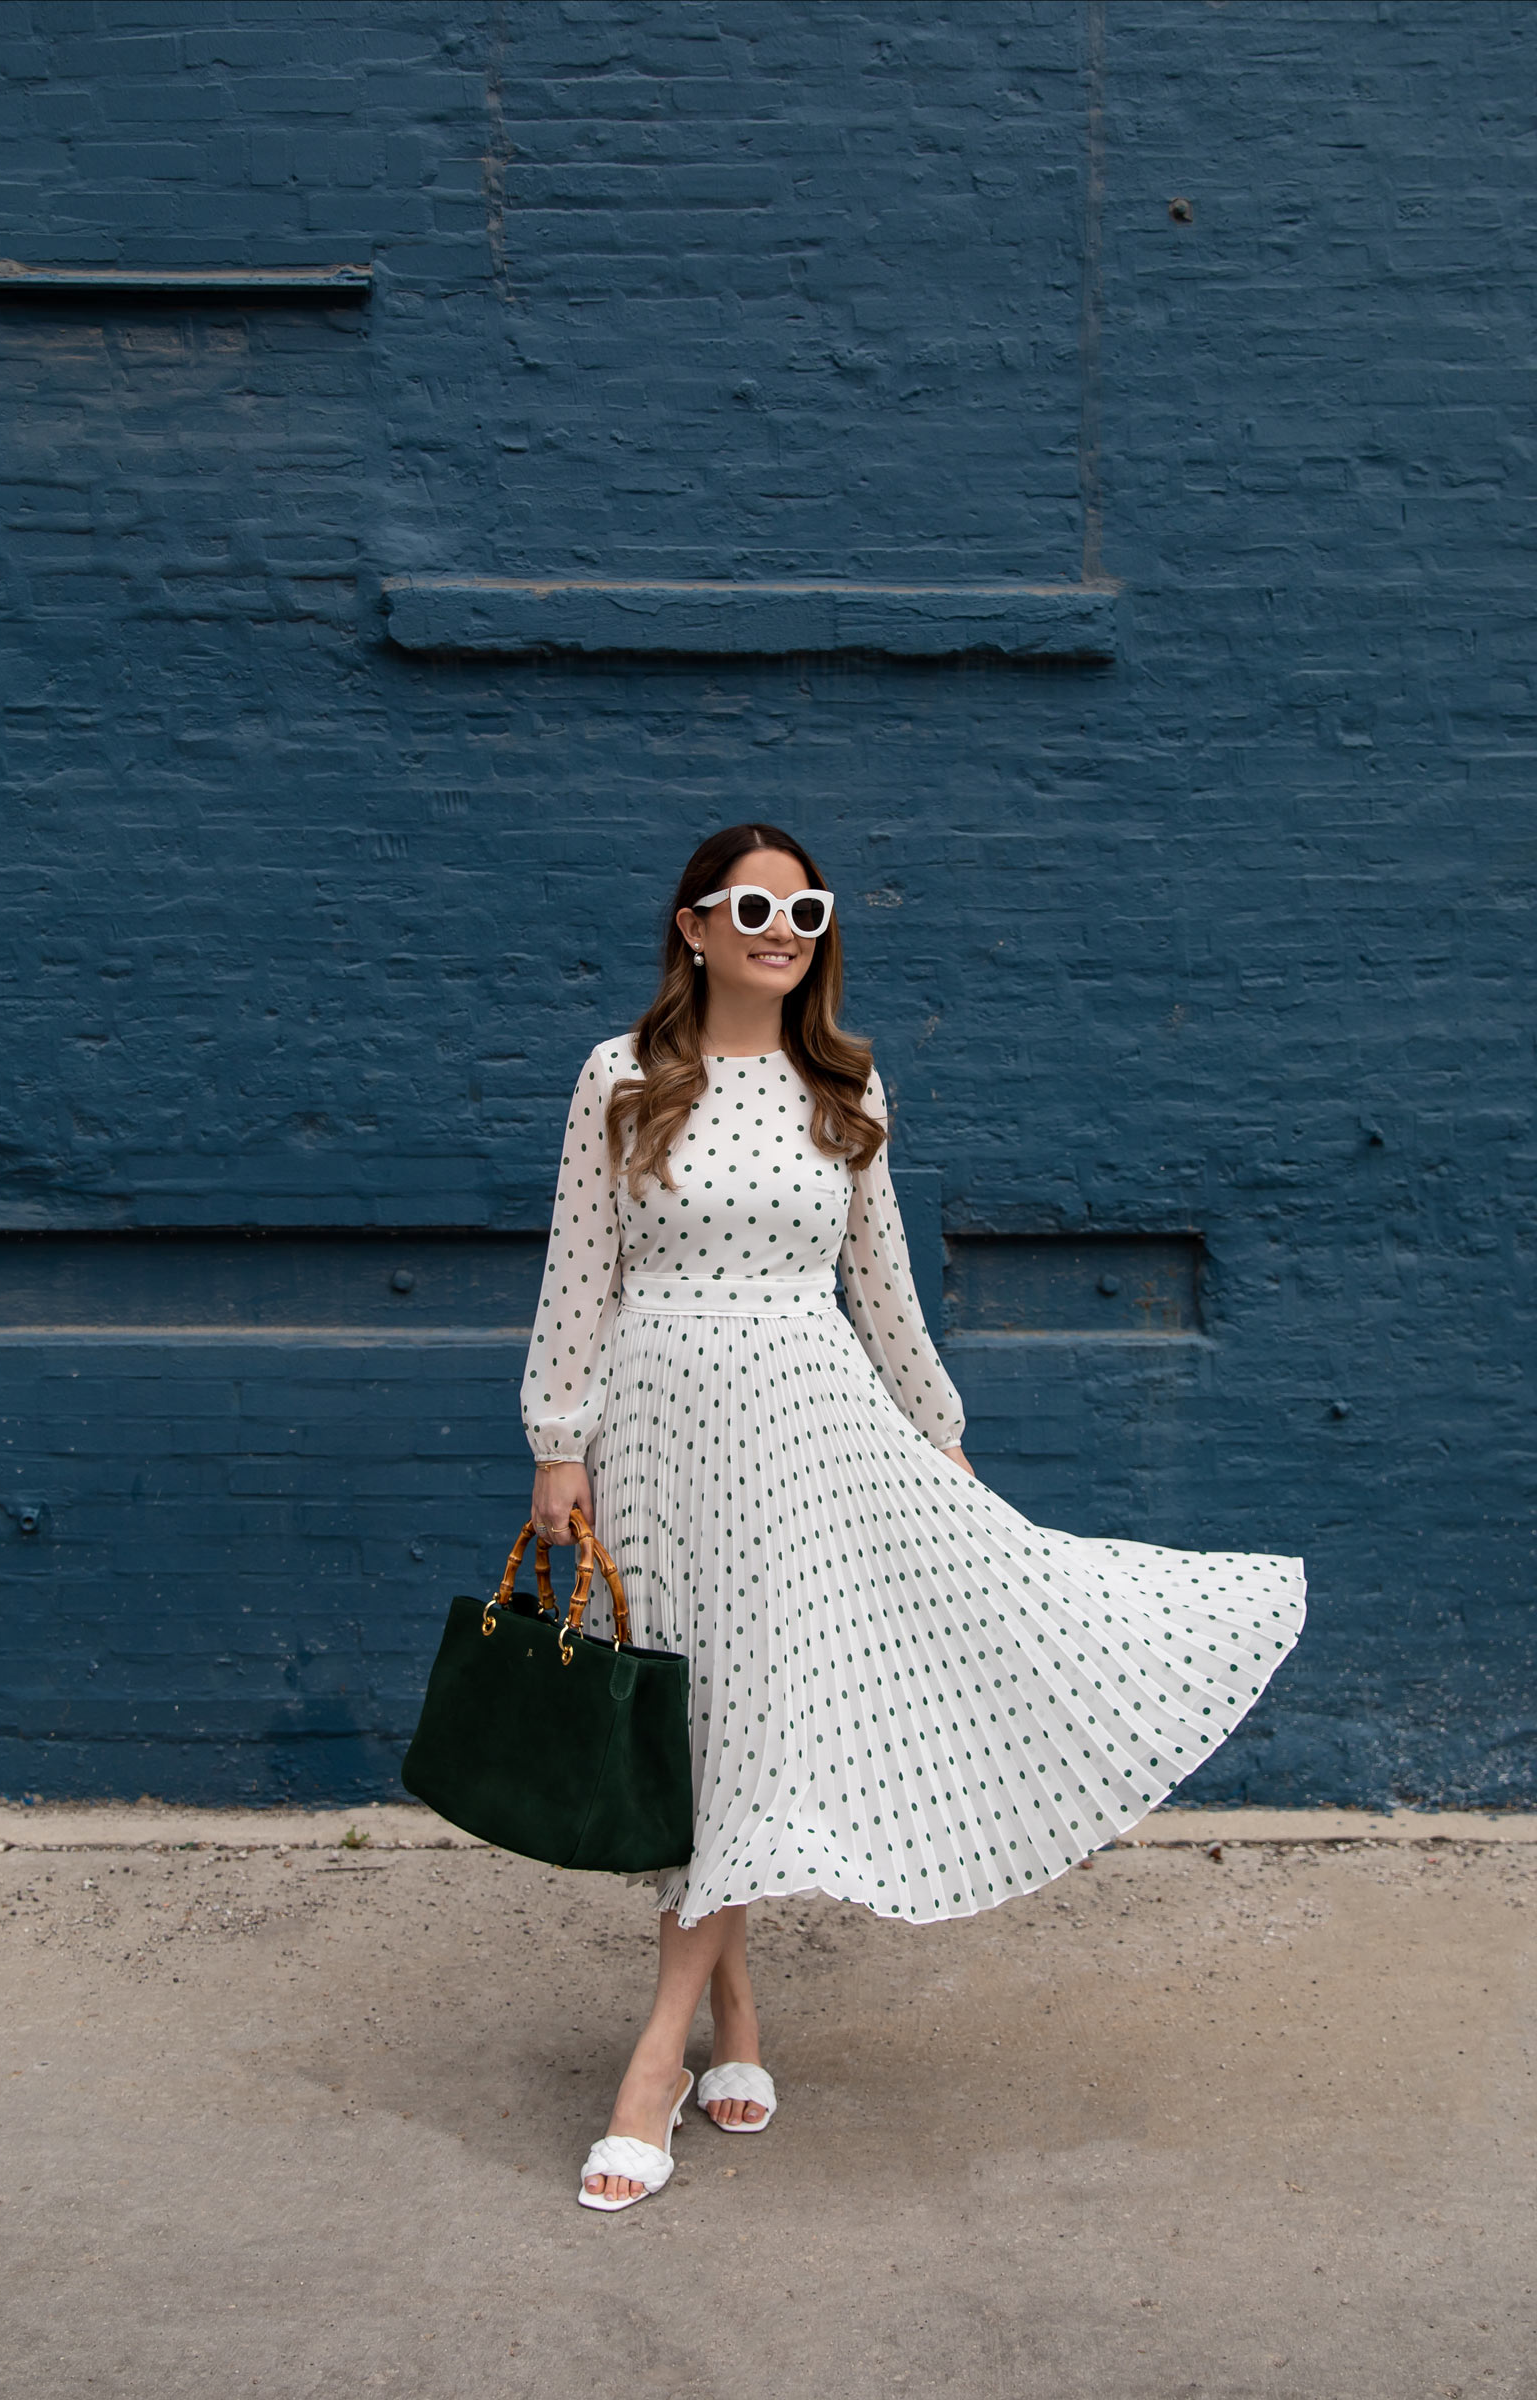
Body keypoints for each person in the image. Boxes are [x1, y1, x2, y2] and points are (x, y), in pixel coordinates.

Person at [521, 823, 1306, 2211]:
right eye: (753, 905)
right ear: (693, 927)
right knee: (697, 1725)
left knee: (753, 1713)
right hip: (656, 1434)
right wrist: (556, 1452)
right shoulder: (621, 1078)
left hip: (808, 1432)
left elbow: (881, 1281)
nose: (784, 926)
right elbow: (578, 1277)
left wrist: (939, 1434)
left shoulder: (850, 1085)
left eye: (806, 908)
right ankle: (740, 2026)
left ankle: (654, 2066)